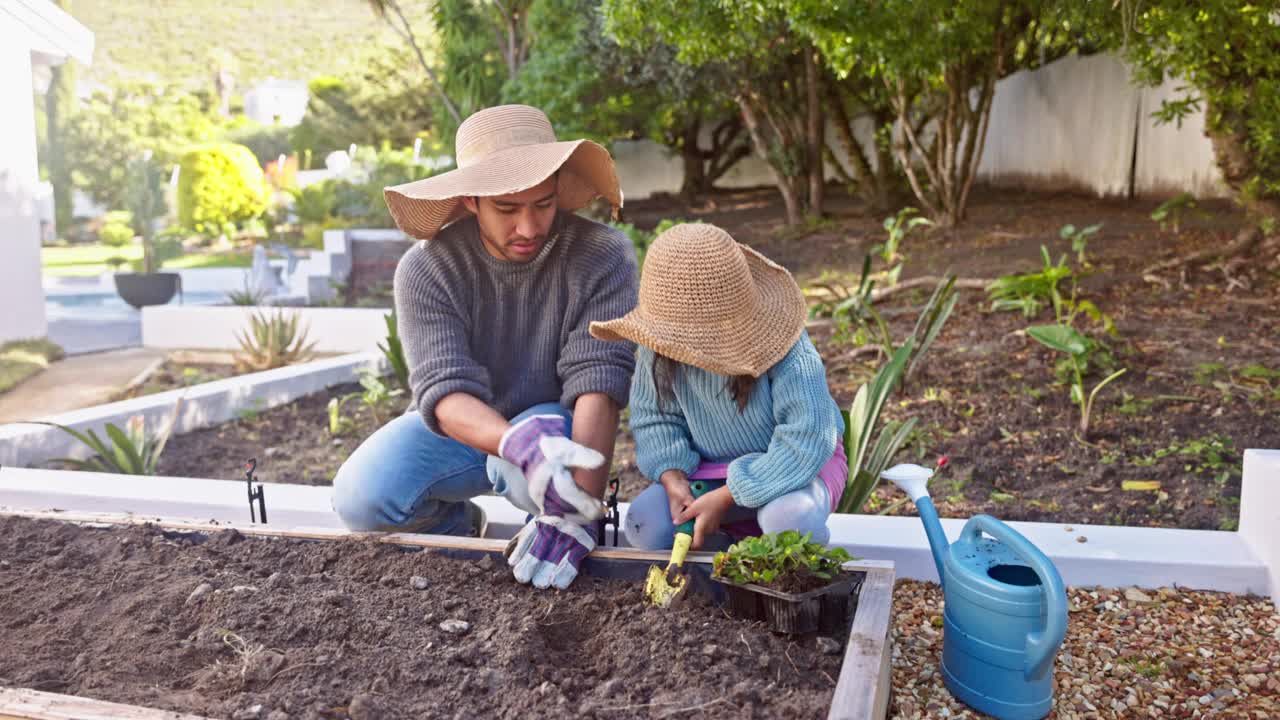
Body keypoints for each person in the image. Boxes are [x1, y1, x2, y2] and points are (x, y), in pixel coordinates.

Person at [332, 104, 639, 590]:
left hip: (552, 425)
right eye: (507, 209)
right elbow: (443, 390)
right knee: (362, 498)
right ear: (471, 200)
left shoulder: (602, 255)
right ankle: (458, 531)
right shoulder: (427, 269)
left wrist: (581, 515)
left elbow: (598, 381)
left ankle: (552, 528)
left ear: (558, 188)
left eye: (542, 204)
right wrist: (512, 442)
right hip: (466, 425)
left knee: (543, 473)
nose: (529, 228)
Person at [590, 223, 846, 551]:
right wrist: (673, 479)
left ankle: (794, 580)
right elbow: (655, 420)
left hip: (796, 468)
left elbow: (807, 438)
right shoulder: (657, 345)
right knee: (646, 524)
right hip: (712, 471)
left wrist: (727, 498)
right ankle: (725, 578)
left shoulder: (785, 344)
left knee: (787, 519)